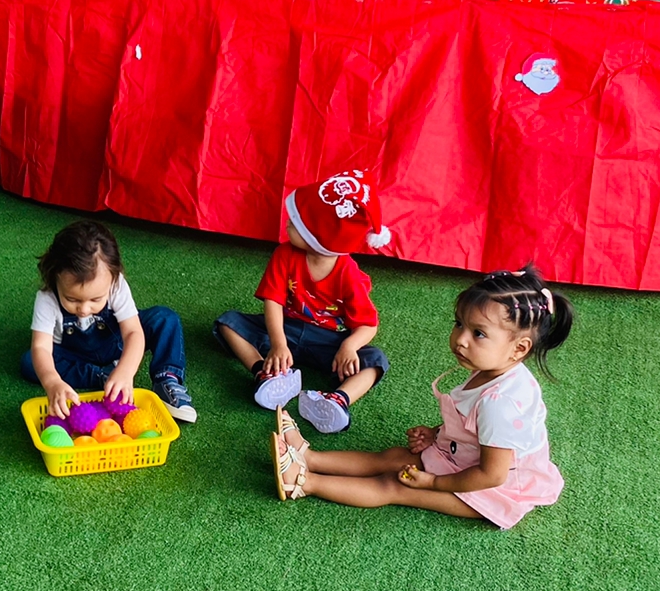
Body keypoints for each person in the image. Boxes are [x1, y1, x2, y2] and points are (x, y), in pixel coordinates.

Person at [271, 266, 571, 528]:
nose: (461, 339)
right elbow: (474, 425)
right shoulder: (494, 368)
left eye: (478, 333)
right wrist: (437, 433)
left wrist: (434, 482)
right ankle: (309, 458)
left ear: (519, 349)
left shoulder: (501, 404)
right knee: (393, 457)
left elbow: (491, 475)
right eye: (459, 324)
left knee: (395, 485)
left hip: (492, 491)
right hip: (466, 459)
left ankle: (304, 482)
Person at [214, 169, 391, 434]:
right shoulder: (284, 254)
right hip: (286, 329)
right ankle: (266, 373)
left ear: (320, 238)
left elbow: (368, 325)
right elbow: (273, 301)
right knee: (228, 323)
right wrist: (278, 344)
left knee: (375, 359)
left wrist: (349, 347)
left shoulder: (350, 275)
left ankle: (339, 400)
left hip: (327, 342)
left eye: (298, 223)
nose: (288, 223)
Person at [20, 220, 196, 423]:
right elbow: (41, 347)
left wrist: (126, 371)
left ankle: (167, 378)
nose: (84, 309)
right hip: (74, 353)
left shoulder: (116, 285)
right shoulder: (47, 298)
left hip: (116, 343)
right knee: (30, 362)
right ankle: (103, 376)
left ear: (113, 278)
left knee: (165, 319)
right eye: (72, 299)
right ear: (54, 276)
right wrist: (52, 382)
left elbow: (133, 332)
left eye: (96, 299)